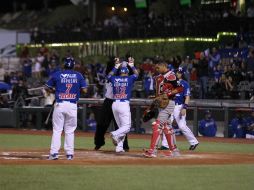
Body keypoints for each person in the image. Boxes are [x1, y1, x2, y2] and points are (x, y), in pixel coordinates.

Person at [45, 57, 87, 160]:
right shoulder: (78, 75)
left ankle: (54, 153)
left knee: (57, 130)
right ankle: (69, 154)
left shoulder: (57, 74)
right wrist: (76, 90)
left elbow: (47, 87)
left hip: (60, 104)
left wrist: (54, 90)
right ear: (73, 65)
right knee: (70, 131)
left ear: (64, 65)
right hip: (72, 105)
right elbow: (85, 90)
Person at [143, 61, 183, 158]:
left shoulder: (171, 75)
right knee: (167, 127)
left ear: (164, 66)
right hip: (162, 104)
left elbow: (180, 88)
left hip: (168, 103)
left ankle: (152, 151)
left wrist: (168, 94)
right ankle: (175, 151)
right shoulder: (159, 77)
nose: (157, 69)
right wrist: (152, 106)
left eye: (158, 67)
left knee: (157, 125)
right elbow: (160, 95)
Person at [94, 58, 130, 151]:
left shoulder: (119, 75)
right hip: (109, 101)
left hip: (117, 100)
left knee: (121, 125)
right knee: (101, 123)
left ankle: (123, 146)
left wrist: (122, 63)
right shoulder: (110, 74)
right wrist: (116, 64)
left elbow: (125, 67)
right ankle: (99, 143)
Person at [160, 67, 199, 150]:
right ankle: (165, 145)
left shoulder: (185, 83)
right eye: (176, 72)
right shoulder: (170, 82)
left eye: (179, 72)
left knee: (182, 126)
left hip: (179, 106)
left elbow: (187, 96)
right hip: (170, 105)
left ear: (182, 74)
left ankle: (194, 142)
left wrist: (184, 107)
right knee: (166, 124)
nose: (177, 73)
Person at [108, 57, 139, 153]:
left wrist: (116, 66)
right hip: (123, 104)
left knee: (122, 128)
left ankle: (119, 147)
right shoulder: (129, 79)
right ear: (126, 73)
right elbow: (137, 74)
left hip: (115, 104)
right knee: (127, 127)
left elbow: (108, 76)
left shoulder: (114, 78)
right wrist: (132, 65)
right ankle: (114, 134)